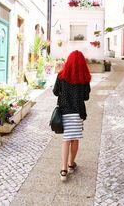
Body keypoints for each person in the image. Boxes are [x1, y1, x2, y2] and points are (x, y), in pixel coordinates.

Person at [53, 50, 91, 181]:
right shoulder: (84, 78)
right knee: (75, 138)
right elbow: (86, 97)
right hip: (78, 112)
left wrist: (65, 93)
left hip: (64, 112)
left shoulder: (61, 76)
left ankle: (63, 170)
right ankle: (70, 165)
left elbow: (55, 92)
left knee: (66, 139)